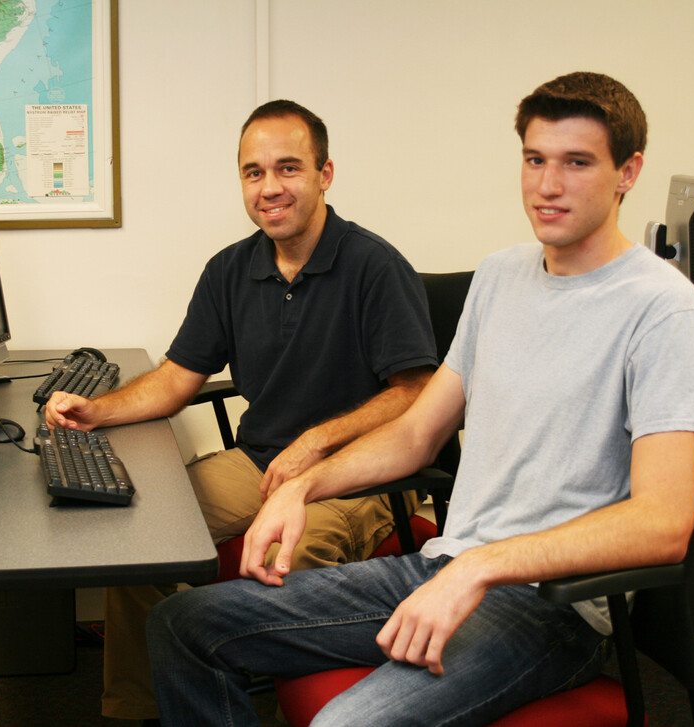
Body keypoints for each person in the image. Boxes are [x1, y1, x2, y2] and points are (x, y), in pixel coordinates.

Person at [145, 72, 694, 726]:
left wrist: (482, 566)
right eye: (535, 159)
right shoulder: (501, 276)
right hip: (443, 568)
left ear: (628, 171)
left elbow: (664, 523)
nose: (547, 184)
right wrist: (301, 486)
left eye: (577, 163)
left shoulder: (663, 309)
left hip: (548, 608)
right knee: (185, 623)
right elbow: (415, 433)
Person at [45, 99, 437, 724]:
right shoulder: (231, 269)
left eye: (288, 168)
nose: (270, 187)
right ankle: (137, 710)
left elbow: (417, 391)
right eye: (254, 172)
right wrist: (98, 411)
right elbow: (177, 378)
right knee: (135, 537)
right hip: (257, 464)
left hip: (358, 478)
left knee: (292, 561)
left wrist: (315, 443)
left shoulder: (374, 266)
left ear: (325, 174)